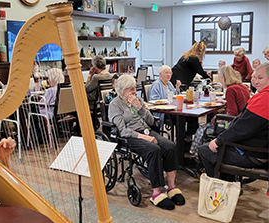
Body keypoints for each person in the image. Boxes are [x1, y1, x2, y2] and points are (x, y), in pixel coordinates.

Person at [109, 74, 185, 210]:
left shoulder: (138, 100)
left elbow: (151, 121)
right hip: (130, 137)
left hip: (146, 131)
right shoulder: (115, 105)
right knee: (153, 149)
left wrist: (140, 108)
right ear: (121, 90)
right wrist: (145, 138)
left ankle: (171, 187)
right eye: (130, 89)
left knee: (170, 146)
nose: (134, 92)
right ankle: (156, 193)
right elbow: (122, 131)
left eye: (134, 88)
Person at [198, 63, 269, 181]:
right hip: (260, 148)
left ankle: (221, 188)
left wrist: (219, 140)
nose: (255, 82)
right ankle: (230, 183)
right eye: (254, 77)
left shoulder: (264, 100)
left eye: (260, 78)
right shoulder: (246, 88)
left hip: (256, 154)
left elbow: (241, 129)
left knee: (205, 150)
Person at [190, 65, 250, 154]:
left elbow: (232, 113)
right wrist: (225, 102)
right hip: (244, 121)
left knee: (202, 128)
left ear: (223, 77)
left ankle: (196, 154)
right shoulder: (243, 87)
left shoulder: (231, 89)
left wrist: (218, 118)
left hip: (234, 123)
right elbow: (239, 104)